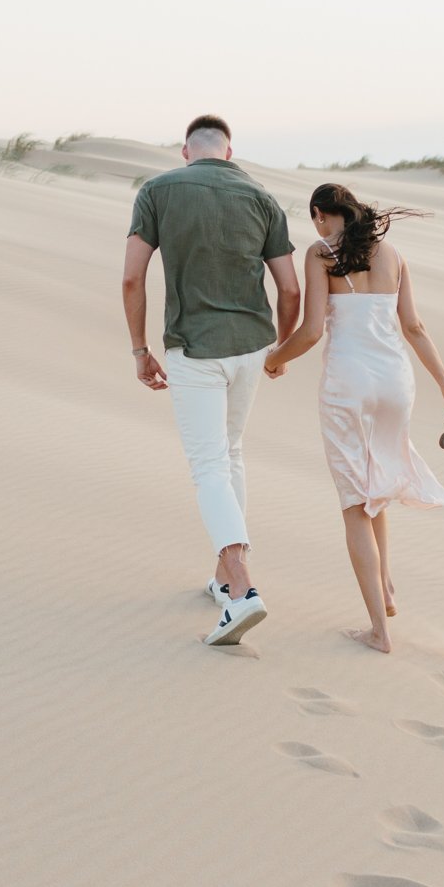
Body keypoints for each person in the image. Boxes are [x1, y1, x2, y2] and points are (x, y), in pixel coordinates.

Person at [262, 183, 444, 653]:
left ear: (319, 214)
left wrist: (275, 359)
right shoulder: (392, 253)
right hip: (396, 383)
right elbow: (414, 327)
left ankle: (378, 631)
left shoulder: (320, 253)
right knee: (376, 490)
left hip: (348, 386)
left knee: (356, 500)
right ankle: (387, 588)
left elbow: (312, 331)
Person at [123, 115, 301, 645]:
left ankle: (243, 591)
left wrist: (139, 349)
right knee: (231, 453)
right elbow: (290, 289)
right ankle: (225, 581)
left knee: (207, 466)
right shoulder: (261, 197)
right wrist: (281, 350)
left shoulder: (157, 191)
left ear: (185, 151)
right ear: (229, 152)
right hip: (250, 345)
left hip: (194, 347)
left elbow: (133, 275)